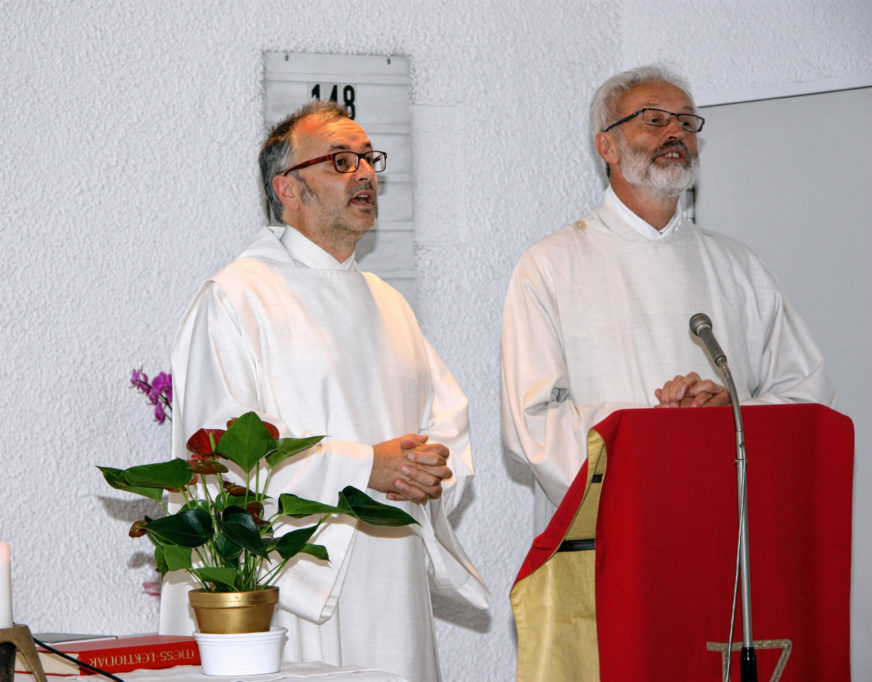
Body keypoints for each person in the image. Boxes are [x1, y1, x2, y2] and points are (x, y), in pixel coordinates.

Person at [160, 100, 489, 681]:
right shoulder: (237, 299)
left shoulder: (389, 303)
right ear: (288, 188)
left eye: (368, 160)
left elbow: (448, 420)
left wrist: (430, 468)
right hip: (290, 586)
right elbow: (218, 457)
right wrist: (365, 467)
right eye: (341, 161)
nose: (365, 175)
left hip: (393, 581)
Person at [501, 65, 834, 530]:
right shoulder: (550, 265)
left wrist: (729, 414)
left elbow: (807, 398)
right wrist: (658, 429)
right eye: (653, 119)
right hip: (614, 534)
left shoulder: (738, 266)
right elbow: (532, 424)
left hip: (727, 526)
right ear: (607, 145)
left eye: (686, 121)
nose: (676, 131)